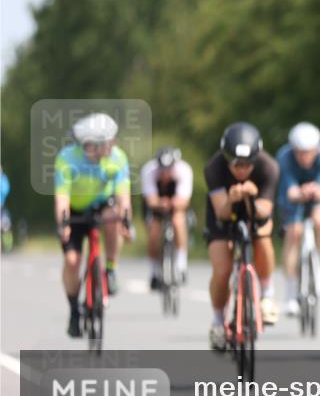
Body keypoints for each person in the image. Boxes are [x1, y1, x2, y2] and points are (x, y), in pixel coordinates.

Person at [54, 113, 132, 338]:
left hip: (103, 205)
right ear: (91, 145)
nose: (113, 145)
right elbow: (61, 199)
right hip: (75, 210)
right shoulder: (67, 159)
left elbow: (123, 197)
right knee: (72, 261)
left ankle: (110, 268)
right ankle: (73, 310)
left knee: (114, 218)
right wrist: (63, 224)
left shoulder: (117, 158)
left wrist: (126, 220)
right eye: (108, 142)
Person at [203, 122, 280, 351]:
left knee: (263, 238)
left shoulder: (269, 167)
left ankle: (266, 295)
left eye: (247, 164)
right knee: (223, 268)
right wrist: (232, 199)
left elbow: (265, 211)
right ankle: (218, 321)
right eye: (235, 163)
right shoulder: (214, 168)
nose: (241, 169)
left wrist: (253, 199)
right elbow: (221, 212)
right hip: (222, 215)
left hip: (254, 211)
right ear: (226, 158)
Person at [276, 122, 320, 317]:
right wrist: (300, 193)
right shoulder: (284, 157)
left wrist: (317, 192)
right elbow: (290, 191)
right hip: (293, 196)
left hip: (317, 193)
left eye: (308, 152)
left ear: (317, 149)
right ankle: (290, 293)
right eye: (299, 152)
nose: (304, 157)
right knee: (293, 232)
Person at [141, 146, 193, 290]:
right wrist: (159, 203)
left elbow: (183, 200)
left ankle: (181, 265)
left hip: (175, 202)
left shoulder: (184, 170)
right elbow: (150, 200)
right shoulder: (149, 171)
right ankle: (154, 272)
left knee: (178, 221)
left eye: (169, 169)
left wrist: (172, 203)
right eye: (162, 169)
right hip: (155, 204)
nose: (165, 173)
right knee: (154, 233)